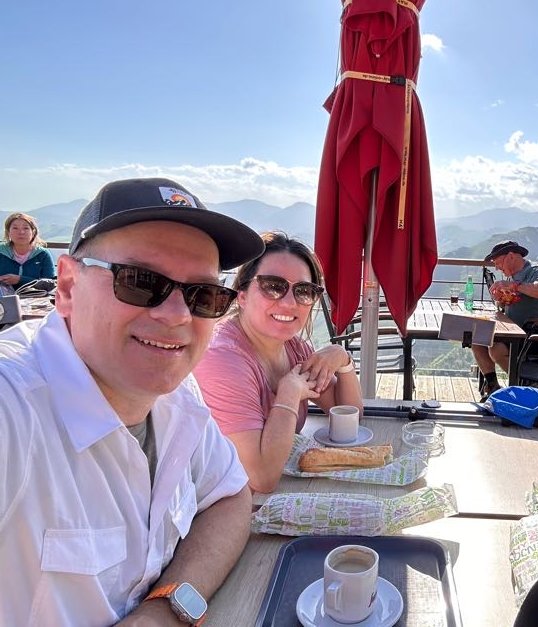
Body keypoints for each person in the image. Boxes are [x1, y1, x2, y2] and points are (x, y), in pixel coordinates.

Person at [0, 177, 266, 626]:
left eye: (204, 296)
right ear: (66, 286)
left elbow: (231, 495)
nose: (178, 316)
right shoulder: (13, 408)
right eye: (141, 281)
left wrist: (166, 608)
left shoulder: (176, 393)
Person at [194, 231, 362, 493]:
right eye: (273, 286)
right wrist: (289, 393)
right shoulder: (223, 360)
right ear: (242, 294)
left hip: (268, 498)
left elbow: (348, 416)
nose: (289, 303)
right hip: (213, 510)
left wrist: (344, 360)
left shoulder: (294, 348)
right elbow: (260, 478)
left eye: (304, 291)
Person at [474, 240, 538, 400]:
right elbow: (513, 304)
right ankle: (493, 386)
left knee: (496, 348)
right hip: (517, 331)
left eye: (498, 263)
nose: (496, 268)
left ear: (510, 256)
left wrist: (515, 287)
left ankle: (526, 386)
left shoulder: (533, 270)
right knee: (477, 338)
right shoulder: (511, 277)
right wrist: (501, 299)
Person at [0, 211, 56, 293]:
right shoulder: (1, 252)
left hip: (35, 300)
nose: (21, 232)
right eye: (15, 228)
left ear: (33, 232)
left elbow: (49, 284)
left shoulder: (43, 255)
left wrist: (20, 279)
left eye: (26, 228)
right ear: (8, 232)